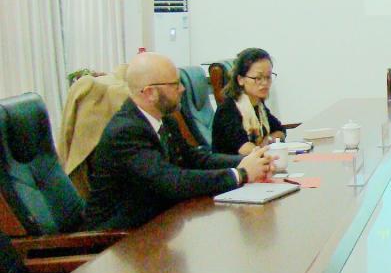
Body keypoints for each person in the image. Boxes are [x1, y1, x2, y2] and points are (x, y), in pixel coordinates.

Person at [83, 52, 272, 230]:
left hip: (157, 223)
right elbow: (172, 181)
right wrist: (240, 174)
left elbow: (195, 159)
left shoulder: (164, 120)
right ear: (149, 92)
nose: (182, 89)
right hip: (118, 239)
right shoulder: (126, 131)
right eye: (175, 84)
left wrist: (248, 161)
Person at [212, 48, 286, 155]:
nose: (265, 83)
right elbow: (244, 149)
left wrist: (268, 139)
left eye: (268, 77)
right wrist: (266, 147)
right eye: (258, 78)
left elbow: (280, 131)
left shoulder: (258, 106)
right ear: (240, 79)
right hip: (236, 164)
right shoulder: (228, 110)